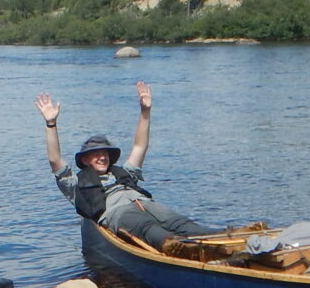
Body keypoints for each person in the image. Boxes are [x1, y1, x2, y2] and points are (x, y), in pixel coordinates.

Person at [35, 82, 212, 248]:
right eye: (96, 154)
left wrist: (145, 111)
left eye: (105, 153)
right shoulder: (74, 184)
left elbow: (140, 146)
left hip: (145, 204)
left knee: (179, 222)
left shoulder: (124, 173)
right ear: (85, 160)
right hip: (117, 213)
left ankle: (223, 241)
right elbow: (55, 160)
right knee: (148, 228)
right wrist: (51, 124)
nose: (102, 157)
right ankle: (178, 247)